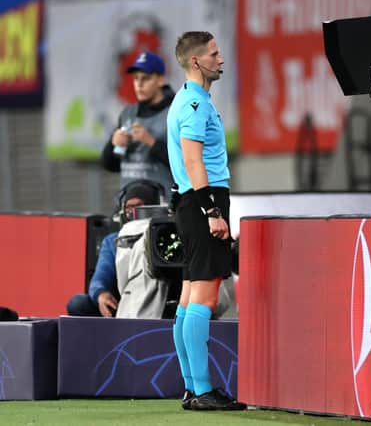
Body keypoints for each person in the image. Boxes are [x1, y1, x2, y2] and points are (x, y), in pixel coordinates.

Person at [167, 31, 245, 411]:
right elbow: (193, 160)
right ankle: (201, 390)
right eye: (215, 54)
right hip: (203, 201)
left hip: (190, 202)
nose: (222, 59)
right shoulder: (194, 105)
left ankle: (191, 387)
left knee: (188, 296)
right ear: (196, 61)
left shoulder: (185, 99)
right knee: (205, 295)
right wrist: (212, 211)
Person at [66, 181, 162, 317]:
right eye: (129, 207)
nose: (132, 213)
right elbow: (100, 278)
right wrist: (101, 294)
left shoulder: (168, 238)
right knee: (78, 303)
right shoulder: (113, 241)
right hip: (122, 305)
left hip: (159, 303)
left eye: (139, 207)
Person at [100, 51, 175, 197]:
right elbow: (110, 165)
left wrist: (151, 142)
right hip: (128, 202)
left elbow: (187, 163)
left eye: (145, 78)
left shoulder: (175, 112)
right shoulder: (128, 113)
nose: (139, 84)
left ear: (160, 80)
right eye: (136, 78)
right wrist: (114, 144)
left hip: (164, 205)